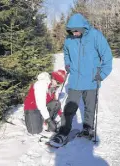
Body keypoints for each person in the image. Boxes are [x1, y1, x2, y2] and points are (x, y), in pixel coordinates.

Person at [49, 13, 113, 147]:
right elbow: (66, 52)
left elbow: (107, 56)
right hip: (75, 80)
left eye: (77, 30)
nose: (74, 33)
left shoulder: (95, 36)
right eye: (72, 30)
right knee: (69, 107)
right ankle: (63, 132)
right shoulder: (69, 39)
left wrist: (101, 74)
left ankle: (87, 128)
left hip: (91, 80)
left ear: (83, 27)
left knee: (90, 107)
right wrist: (67, 64)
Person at [24, 69, 66, 134]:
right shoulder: (41, 84)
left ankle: (44, 120)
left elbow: (55, 101)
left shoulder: (54, 87)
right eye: (58, 82)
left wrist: (61, 114)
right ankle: (43, 119)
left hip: (43, 108)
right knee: (35, 131)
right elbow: (41, 105)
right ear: (53, 78)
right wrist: (49, 120)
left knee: (56, 103)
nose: (58, 85)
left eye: (60, 83)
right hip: (32, 108)